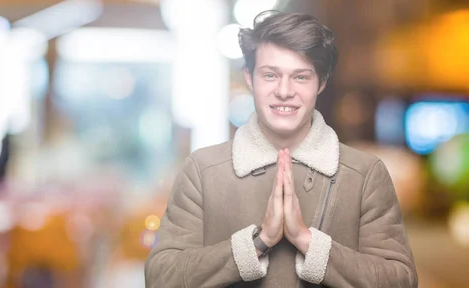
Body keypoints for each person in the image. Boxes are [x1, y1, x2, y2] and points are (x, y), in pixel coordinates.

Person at [145, 10, 418, 288]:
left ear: (321, 82)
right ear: (250, 78)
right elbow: (161, 278)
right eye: (270, 75)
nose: (284, 91)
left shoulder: (365, 174)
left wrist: (307, 242)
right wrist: (257, 243)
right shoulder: (202, 171)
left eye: (300, 77)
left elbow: (400, 280)